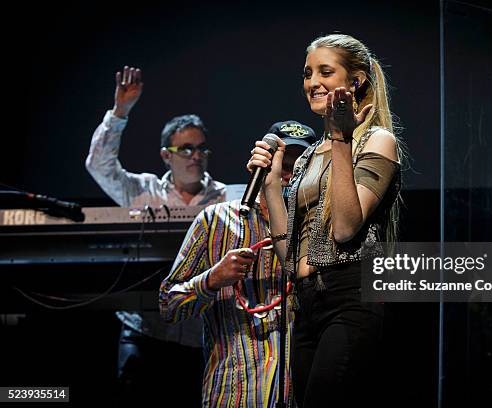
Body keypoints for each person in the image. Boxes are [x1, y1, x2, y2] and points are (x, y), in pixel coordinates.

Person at [248, 34, 402, 407]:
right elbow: (289, 257)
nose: (312, 83)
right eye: (307, 73)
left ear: (356, 81)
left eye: (325, 72)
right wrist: (270, 184)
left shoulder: (376, 141)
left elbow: (346, 227)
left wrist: (340, 138)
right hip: (305, 303)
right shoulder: (307, 157)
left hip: (349, 296)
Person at [85, 66, 226, 406]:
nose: (195, 155)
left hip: (199, 339)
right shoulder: (141, 190)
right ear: (166, 155)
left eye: (201, 148)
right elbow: (99, 165)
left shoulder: (227, 199)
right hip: (144, 331)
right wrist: (120, 112)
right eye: (186, 149)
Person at [160, 121, 316, 407]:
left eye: (298, 164)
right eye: (281, 162)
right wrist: (211, 280)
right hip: (234, 393)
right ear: (263, 162)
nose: (288, 173)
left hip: (297, 394)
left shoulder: (316, 226)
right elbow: (168, 306)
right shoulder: (215, 221)